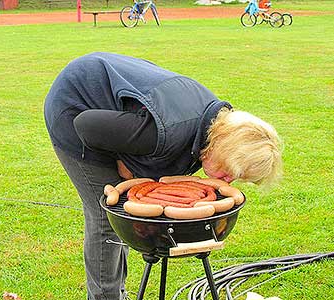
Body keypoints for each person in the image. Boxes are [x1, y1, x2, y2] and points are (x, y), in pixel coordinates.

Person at [44, 52, 282, 300]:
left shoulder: (216, 124)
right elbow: (87, 125)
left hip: (117, 103)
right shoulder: (163, 134)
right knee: (106, 217)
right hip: (75, 102)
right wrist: (123, 160)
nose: (228, 181)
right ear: (225, 149)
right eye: (233, 172)